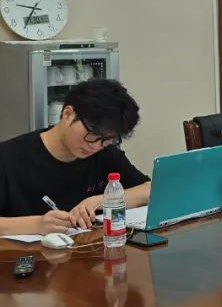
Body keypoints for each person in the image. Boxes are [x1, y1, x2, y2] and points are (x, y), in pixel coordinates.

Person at [0, 79, 151, 235]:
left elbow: (149, 190)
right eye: (92, 134)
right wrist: (37, 225)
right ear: (68, 114)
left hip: (87, 248)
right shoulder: (9, 157)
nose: (95, 146)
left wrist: (99, 201)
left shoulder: (104, 154)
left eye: (106, 139)